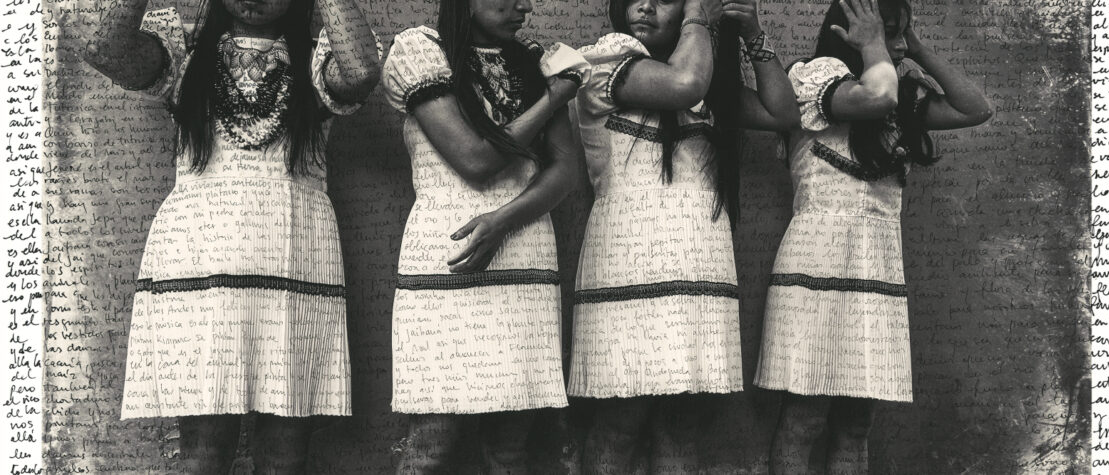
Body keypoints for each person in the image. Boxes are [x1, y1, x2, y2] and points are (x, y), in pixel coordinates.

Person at [82, 0, 381, 472]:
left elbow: (362, 71)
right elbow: (103, 48)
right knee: (202, 454)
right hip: (201, 258)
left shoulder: (316, 54)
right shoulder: (185, 49)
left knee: (285, 456)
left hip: (294, 255)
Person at [752, 0, 993, 473]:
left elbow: (976, 108)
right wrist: (874, 48)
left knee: (857, 423)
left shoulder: (902, 90)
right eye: (886, 32)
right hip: (818, 260)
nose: (896, 45)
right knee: (804, 418)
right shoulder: (811, 77)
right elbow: (873, 98)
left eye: (901, 35)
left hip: (878, 267)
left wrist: (915, 47)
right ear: (848, 33)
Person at [567, 0, 799, 472]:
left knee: (682, 426)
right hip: (627, 268)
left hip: (700, 269)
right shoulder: (608, 57)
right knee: (619, 421)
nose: (646, 6)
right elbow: (682, 84)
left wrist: (752, 33)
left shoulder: (708, 81)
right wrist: (697, 13)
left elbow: (784, 113)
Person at [380, 0, 586, 472]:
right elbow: (475, 161)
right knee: (429, 445)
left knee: (510, 449)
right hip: (449, 259)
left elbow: (564, 171)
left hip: (525, 259)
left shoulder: (531, 63)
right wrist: (553, 98)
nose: (524, 6)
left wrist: (503, 221)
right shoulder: (419, 51)